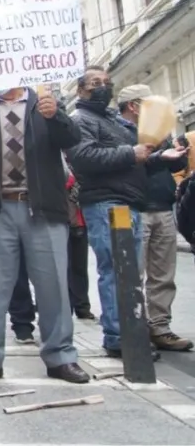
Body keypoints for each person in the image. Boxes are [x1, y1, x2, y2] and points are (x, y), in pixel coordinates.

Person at [0, 84, 89, 384]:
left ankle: (61, 356)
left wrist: (55, 115)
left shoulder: (44, 102)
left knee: (53, 287)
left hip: (43, 208)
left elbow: (71, 138)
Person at [67, 71, 186, 360]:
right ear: (81, 89)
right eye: (96, 83)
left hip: (130, 203)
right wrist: (132, 153)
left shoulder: (111, 121)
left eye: (107, 83)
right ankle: (119, 337)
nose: (104, 87)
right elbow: (84, 158)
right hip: (106, 204)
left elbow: (137, 158)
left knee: (127, 273)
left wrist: (160, 157)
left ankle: (130, 333)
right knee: (116, 272)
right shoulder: (80, 120)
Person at [116, 84, 191, 351]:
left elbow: (175, 165)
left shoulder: (159, 129)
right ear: (133, 106)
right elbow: (126, 164)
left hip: (162, 206)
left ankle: (160, 327)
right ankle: (133, 330)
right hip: (135, 209)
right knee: (132, 273)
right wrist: (156, 154)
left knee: (163, 274)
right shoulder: (118, 130)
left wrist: (179, 155)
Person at [65, 167, 94, 320]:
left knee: (79, 265)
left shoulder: (78, 161)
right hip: (62, 218)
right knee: (64, 266)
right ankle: (67, 305)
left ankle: (82, 305)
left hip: (79, 219)